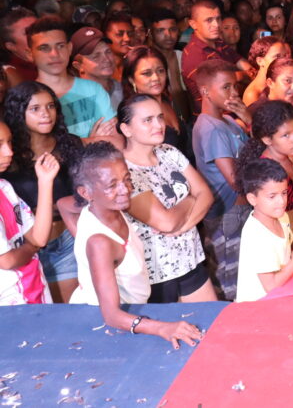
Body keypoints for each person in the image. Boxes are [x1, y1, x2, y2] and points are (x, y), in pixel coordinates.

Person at [65, 142, 204, 348]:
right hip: (110, 324)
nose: (125, 190)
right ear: (86, 193)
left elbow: (63, 205)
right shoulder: (100, 243)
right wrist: (163, 328)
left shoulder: (108, 206)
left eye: (127, 179)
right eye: (112, 185)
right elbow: (111, 316)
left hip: (133, 308)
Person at [118, 95, 216, 303]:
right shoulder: (124, 171)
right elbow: (166, 222)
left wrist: (184, 226)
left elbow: (206, 194)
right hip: (156, 275)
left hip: (190, 260)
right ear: (126, 129)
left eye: (160, 117)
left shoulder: (169, 152)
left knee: (211, 319)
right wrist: (189, 199)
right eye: (148, 120)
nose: (159, 125)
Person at [4, 81, 84, 302]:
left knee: (71, 310)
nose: (46, 114)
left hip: (67, 240)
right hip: (26, 248)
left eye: (50, 106)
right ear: (19, 112)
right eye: (35, 108)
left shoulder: (70, 145)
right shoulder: (8, 156)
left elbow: (87, 193)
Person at [191, 60, 250, 300]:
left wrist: (248, 119)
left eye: (235, 86)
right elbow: (235, 180)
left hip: (240, 209)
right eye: (226, 87)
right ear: (205, 91)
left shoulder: (229, 121)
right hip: (228, 214)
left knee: (244, 273)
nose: (234, 93)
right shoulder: (211, 128)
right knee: (232, 281)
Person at [234, 158, 293, 302]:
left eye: (284, 193)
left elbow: (286, 243)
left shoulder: (281, 216)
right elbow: (270, 285)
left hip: (281, 292)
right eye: (272, 196)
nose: (282, 201)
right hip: (259, 304)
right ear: (252, 199)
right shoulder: (256, 235)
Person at [0, 121, 58, 305]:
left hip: (35, 290)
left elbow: (38, 238)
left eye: (9, 142)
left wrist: (45, 182)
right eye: (0, 145)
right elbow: (7, 261)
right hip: (9, 304)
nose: (9, 152)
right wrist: (30, 248)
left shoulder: (5, 188)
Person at [236, 100, 293, 236]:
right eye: (286, 135)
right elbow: (270, 228)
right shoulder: (265, 173)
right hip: (292, 242)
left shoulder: (285, 157)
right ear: (267, 139)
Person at [181, 0, 252, 114]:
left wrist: (242, 75)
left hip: (234, 110)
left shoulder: (218, 41)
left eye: (218, 19)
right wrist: (243, 75)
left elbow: (241, 62)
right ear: (193, 24)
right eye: (209, 20)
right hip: (216, 118)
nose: (216, 25)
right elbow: (222, 90)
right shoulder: (194, 55)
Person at [121, 47, 188, 152]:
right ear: (131, 79)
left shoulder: (167, 101)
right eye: (147, 73)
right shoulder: (131, 113)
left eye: (160, 71)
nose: (156, 78)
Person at [242, 37, 292, 106]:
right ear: (260, 61)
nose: (284, 60)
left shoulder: (283, 83)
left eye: (285, 56)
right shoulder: (253, 94)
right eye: (277, 56)